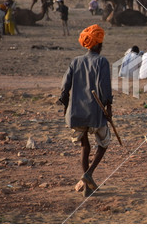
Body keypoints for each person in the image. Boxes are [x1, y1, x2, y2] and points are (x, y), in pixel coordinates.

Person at [59, 24, 112, 198]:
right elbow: (105, 89)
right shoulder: (102, 61)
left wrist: (67, 107)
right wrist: (108, 108)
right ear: (98, 44)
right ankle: (88, 174)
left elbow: (64, 88)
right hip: (95, 113)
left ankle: (88, 186)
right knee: (104, 143)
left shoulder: (75, 61)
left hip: (76, 113)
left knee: (84, 145)